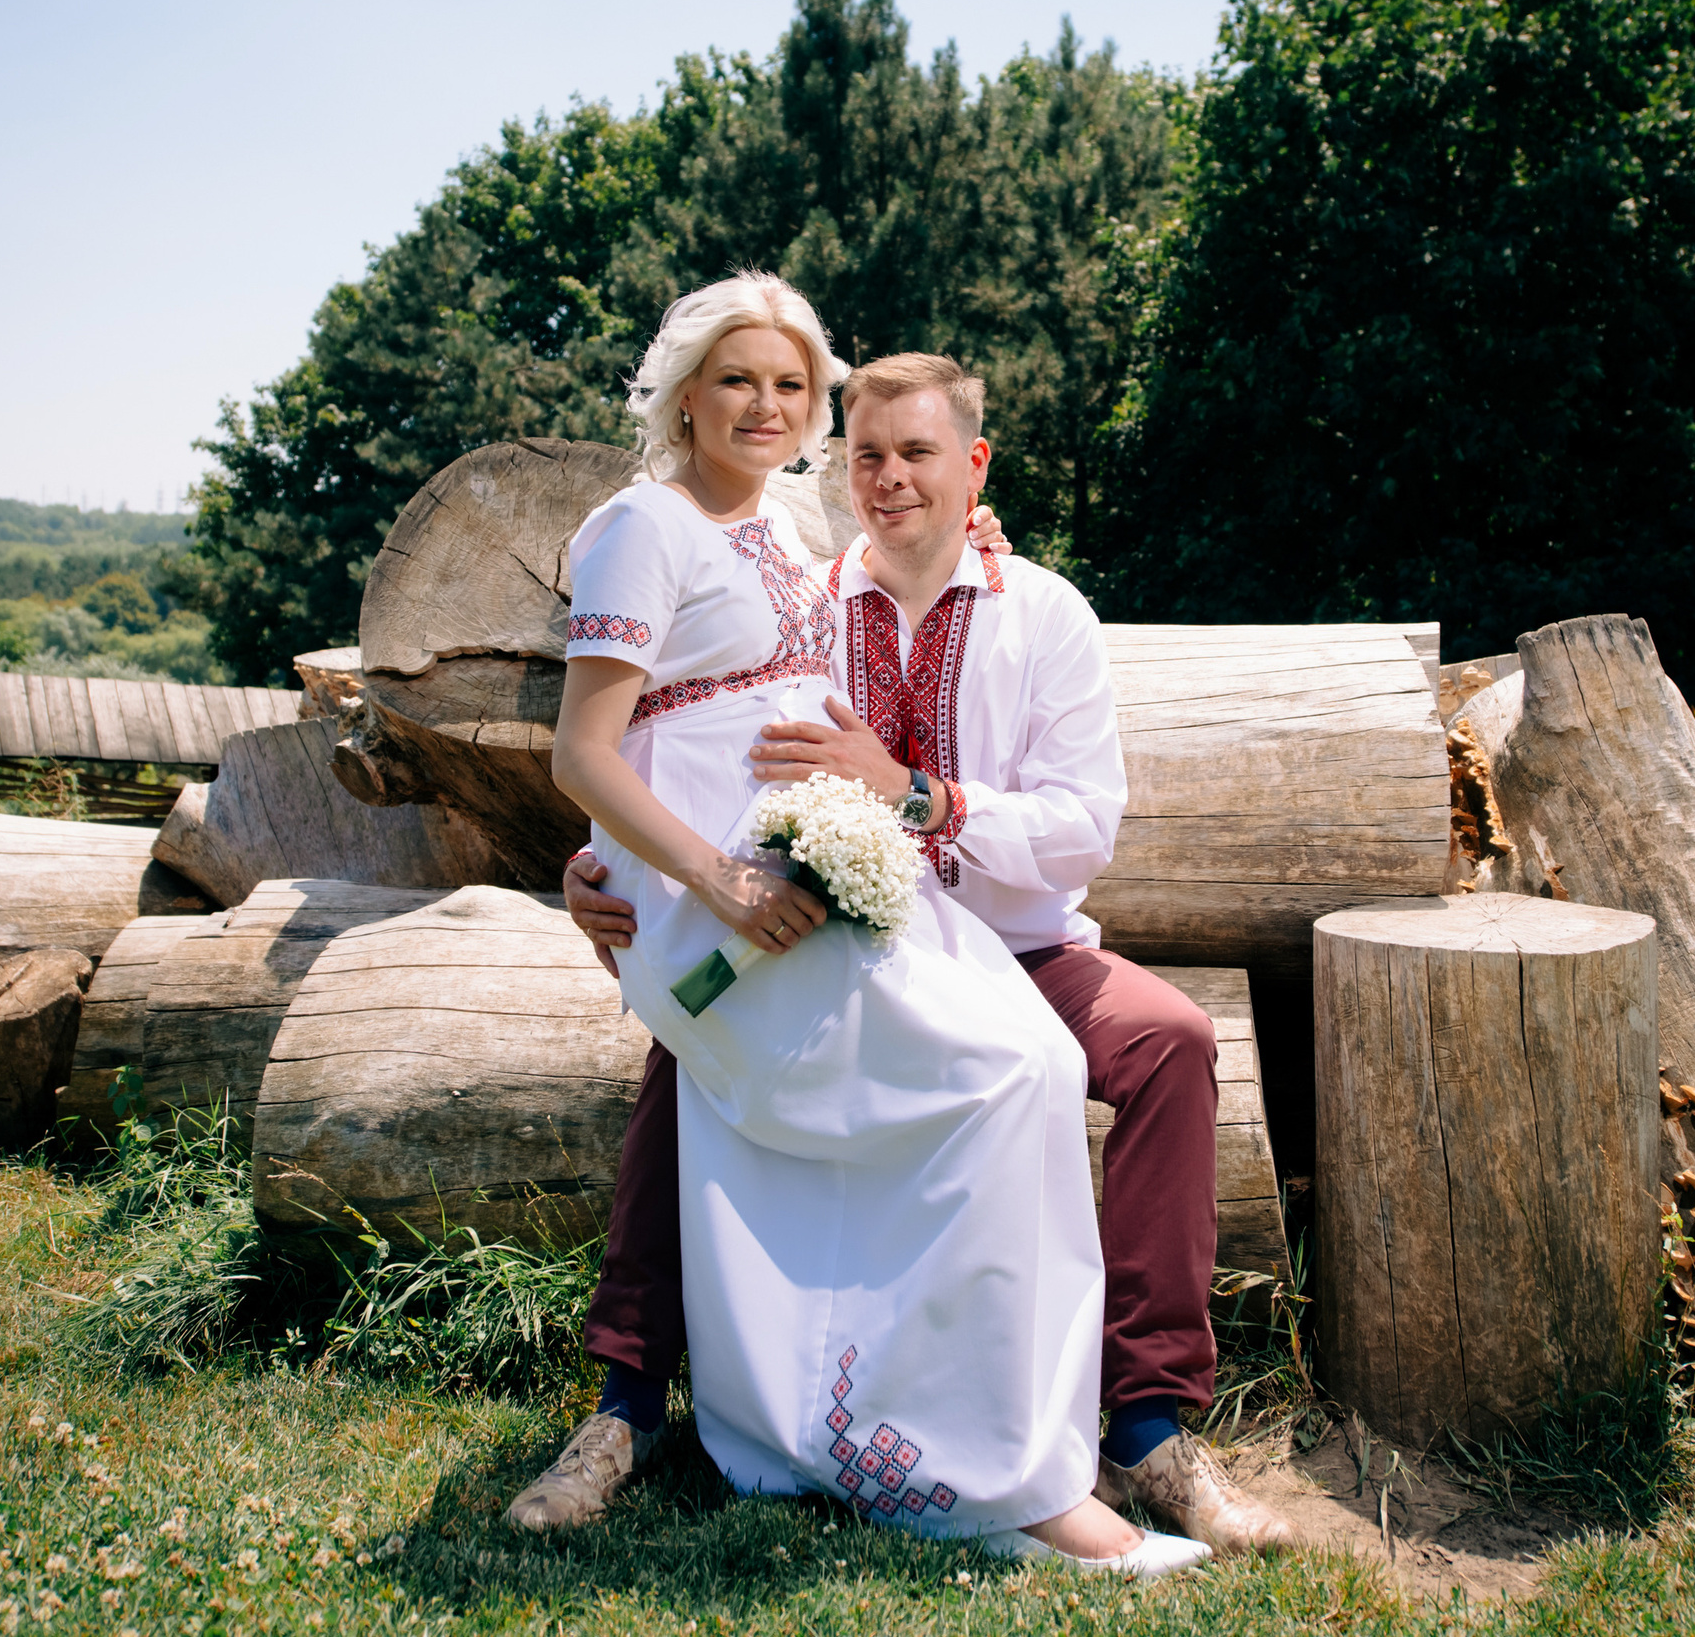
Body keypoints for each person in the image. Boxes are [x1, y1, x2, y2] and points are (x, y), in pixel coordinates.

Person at [532, 346, 1302, 1558]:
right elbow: (671, 732)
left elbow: (1081, 828)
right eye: (868, 455)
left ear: (973, 463)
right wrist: (601, 873)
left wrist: (919, 795)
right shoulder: (798, 600)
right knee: (693, 1042)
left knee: (1170, 1042)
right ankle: (624, 1404)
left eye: (918, 453)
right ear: (839, 471)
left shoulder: (1042, 614)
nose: (889, 478)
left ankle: (1149, 1427)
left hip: (1022, 948)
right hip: (842, 953)